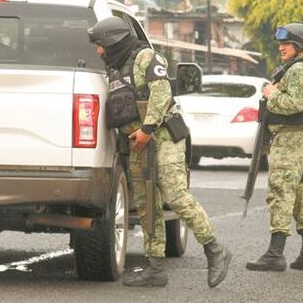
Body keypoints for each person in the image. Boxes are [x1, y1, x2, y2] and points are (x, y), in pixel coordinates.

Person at [87, 16, 232, 288]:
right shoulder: (114, 69)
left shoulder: (146, 58)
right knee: (146, 203)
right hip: (137, 143)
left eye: (100, 45)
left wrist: (148, 128)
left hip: (162, 136)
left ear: (114, 41)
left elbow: (161, 93)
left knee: (175, 196)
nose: (98, 51)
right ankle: (155, 267)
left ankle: (215, 250)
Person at [246, 23, 303, 272]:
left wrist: (271, 94)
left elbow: (295, 104)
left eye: (286, 44)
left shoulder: (300, 69)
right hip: (302, 137)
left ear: (299, 46)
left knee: (281, 192)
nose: (281, 48)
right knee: (301, 194)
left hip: (292, 139)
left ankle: (275, 253)